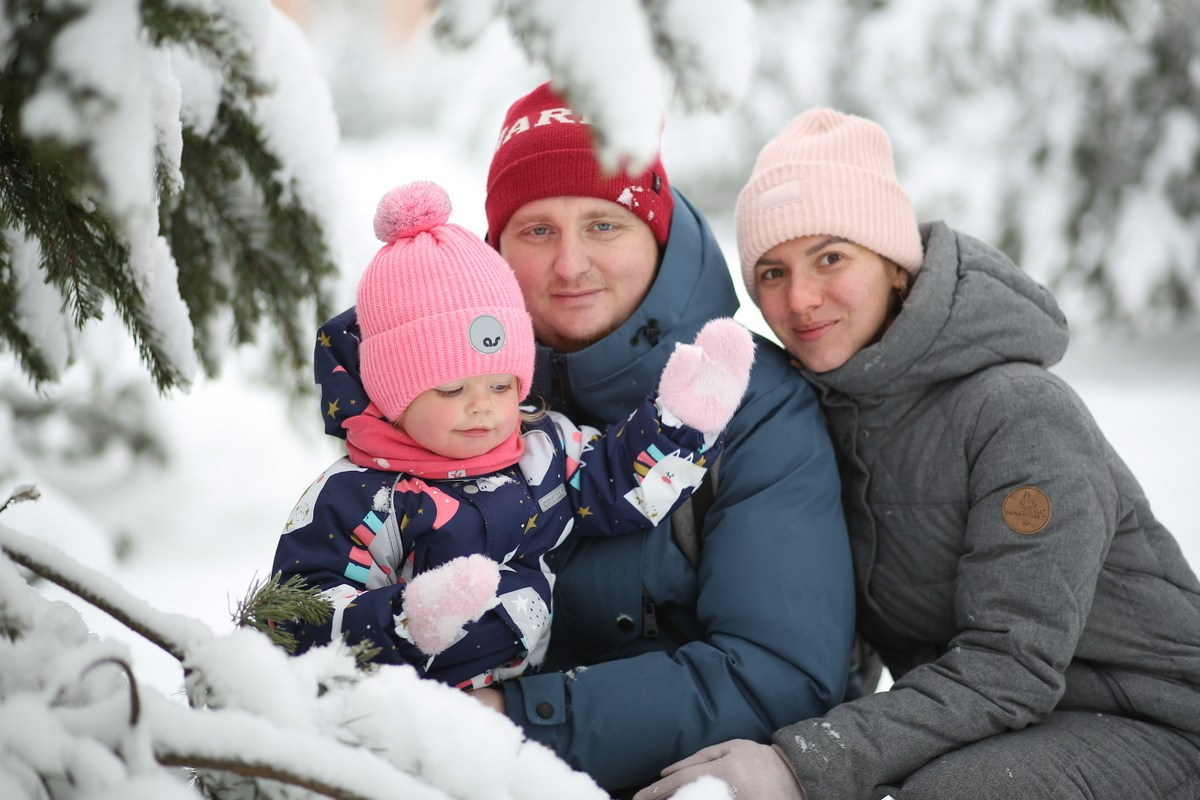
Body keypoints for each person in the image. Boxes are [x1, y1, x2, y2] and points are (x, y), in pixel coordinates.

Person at [304, 83, 857, 793]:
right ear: (496, 248)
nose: (569, 265)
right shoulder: (423, 397)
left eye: (603, 224)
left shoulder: (746, 406)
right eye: (537, 231)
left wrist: (510, 721)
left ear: (656, 234)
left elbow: (779, 674)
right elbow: (324, 594)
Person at [635, 109, 1200, 800]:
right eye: (773, 272)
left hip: (1157, 721)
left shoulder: (1019, 415)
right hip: (996, 727)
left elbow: (1012, 666)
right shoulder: (819, 415)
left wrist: (802, 764)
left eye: (831, 258)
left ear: (896, 267)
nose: (800, 298)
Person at [272, 179, 755, 690]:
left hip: (522, 704)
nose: (481, 405)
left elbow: (618, 483)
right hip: (399, 711)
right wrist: (409, 619)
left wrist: (681, 421)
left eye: (501, 385)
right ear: (394, 394)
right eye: (451, 388)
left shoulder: (538, 450)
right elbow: (296, 616)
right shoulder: (359, 496)